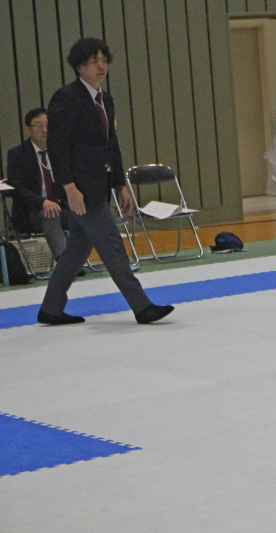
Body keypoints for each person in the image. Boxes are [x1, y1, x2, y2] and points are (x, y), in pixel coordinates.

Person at [37, 37, 174, 326]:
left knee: (76, 251)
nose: (101, 66)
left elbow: (111, 145)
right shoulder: (66, 98)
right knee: (112, 247)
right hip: (80, 190)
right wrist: (69, 187)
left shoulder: (105, 100)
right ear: (79, 66)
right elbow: (57, 147)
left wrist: (120, 184)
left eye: (104, 60)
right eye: (93, 61)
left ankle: (50, 308)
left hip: (100, 185)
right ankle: (142, 307)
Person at [5, 108, 67, 260]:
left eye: (47, 125)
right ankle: (65, 263)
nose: (44, 130)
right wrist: (43, 202)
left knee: (87, 213)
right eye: (38, 126)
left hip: (62, 206)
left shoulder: (60, 151)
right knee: (50, 213)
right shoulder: (17, 154)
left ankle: (87, 258)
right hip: (32, 212)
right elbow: (17, 188)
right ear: (28, 130)